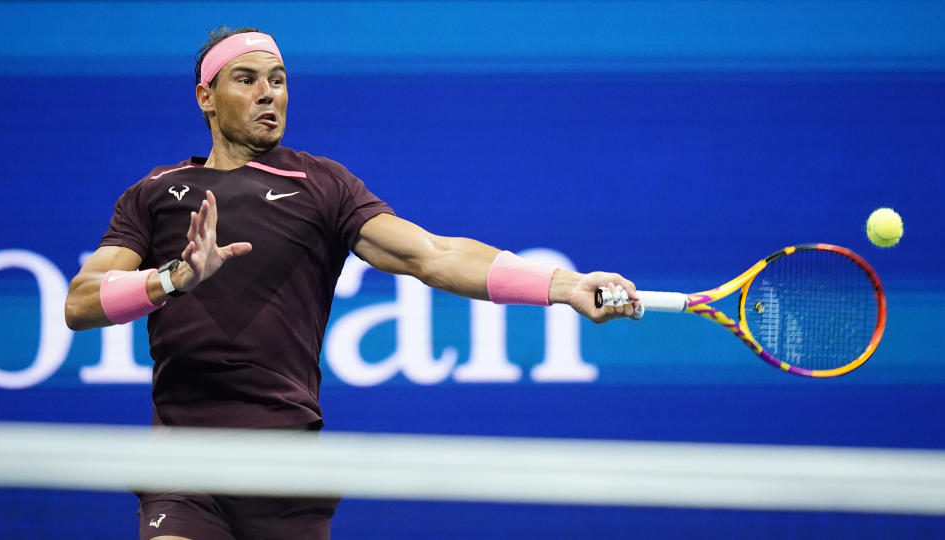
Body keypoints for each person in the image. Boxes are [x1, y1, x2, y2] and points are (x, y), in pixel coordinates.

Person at [64, 26, 640, 540]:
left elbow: (431, 255)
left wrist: (564, 284)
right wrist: (175, 277)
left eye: (279, 79)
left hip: (286, 466)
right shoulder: (156, 192)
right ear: (206, 98)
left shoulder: (321, 186)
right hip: (181, 465)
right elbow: (80, 302)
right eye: (247, 79)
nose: (270, 93)